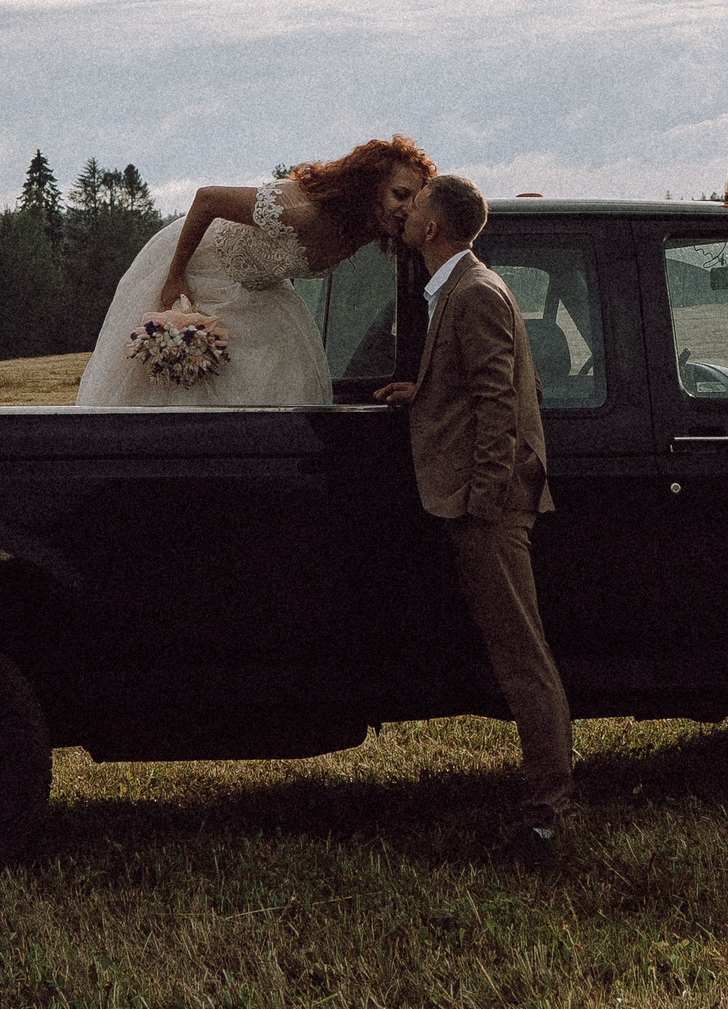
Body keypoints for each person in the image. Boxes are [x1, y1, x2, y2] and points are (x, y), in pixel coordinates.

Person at [372, 174, 575, 855]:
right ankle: (541, 802)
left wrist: (484, 502)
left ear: (435, 227)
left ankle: (544, 813)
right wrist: (424, 392)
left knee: (524, 658)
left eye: (416, 205)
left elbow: (502, 402)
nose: (404, 213)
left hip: (488, 507)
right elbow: (475, 385)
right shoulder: (455, 288)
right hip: (475, 500)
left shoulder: (476, 292)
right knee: (517, 652)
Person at [75, 136, 434, 407]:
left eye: (414, 203)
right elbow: (207, 200)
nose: (405, 209)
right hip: (201, 269)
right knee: (186, 382)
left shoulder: (364, 230)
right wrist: (175, 277)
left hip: (261, 291)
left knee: (288, 380)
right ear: (369, 186)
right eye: (399, 194)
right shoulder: (300, 211)